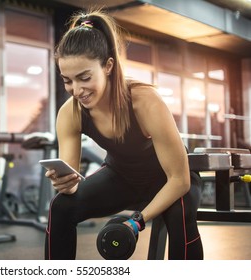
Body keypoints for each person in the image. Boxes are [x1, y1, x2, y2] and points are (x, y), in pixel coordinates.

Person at [44, 8, 204, 260]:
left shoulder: (144, 101)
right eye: (67, 80)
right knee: (61, 207)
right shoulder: (70, 112)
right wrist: (64, 183)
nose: (76, 90)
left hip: (169, 179)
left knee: (179, 213)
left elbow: (179, 179)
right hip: (122, 178)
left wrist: (136, 222)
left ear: (108, 66)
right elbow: (72, 187)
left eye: (84, 77)